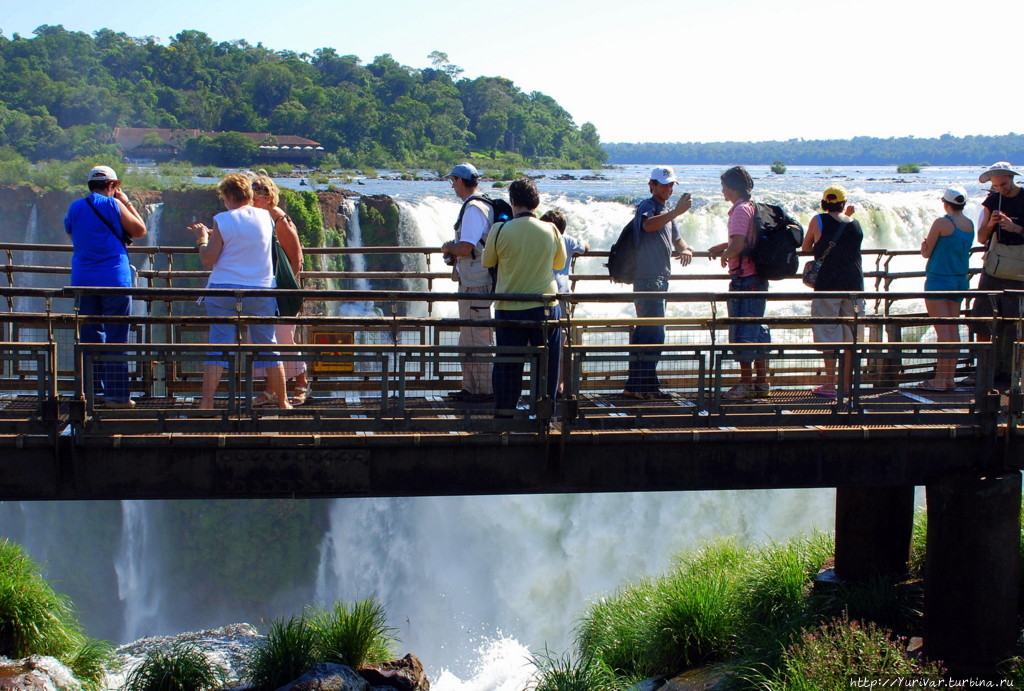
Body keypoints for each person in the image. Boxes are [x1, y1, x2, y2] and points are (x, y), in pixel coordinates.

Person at [186, 173, 291, 410]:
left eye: (224, 196)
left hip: (224, 291)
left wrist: (202, 240)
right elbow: (247, 238)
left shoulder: (222, 219)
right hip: (261, 291)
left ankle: (207, 403)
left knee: (219, 346)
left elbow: (208, 259)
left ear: (230, 196)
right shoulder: (267, 217)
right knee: (268, 346)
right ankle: (283, 402)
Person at [482, 178, 566, 416]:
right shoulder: (551, 229)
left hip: (509, 306)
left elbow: (487, 261)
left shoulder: (499, 229)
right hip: (546, 306)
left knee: (509, 364)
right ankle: (544, 414)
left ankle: (505, 414)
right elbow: (559, 263)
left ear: (512, 202)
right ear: (536, 202)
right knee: (547, 364)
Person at [64, 165, 147, 407]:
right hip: (114, 280)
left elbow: (72, 233)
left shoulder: (75, 207)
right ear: (111, 185)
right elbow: (140, 231)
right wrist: (127, 202)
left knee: (90, 337)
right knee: (116, 338)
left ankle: (93, 393)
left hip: (82, 280)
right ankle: (118, 396)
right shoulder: (113, 204)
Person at [621, 167, 694, 399]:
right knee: (653, 334)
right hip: (646, 279)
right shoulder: (647, 206)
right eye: (664, 184)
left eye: (671, 184)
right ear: (651, 185)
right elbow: (648, 225)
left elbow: (677, 237)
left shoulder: (666, 210)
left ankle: (640, 385)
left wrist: (685, 248)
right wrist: (676, 213)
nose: (668, 188)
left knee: (648, 333)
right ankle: (641, 386)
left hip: (660, 279)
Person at [707, 166, 770, 400]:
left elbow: (739, 245)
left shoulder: (739, 211)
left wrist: (726, 254)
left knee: (742, 330)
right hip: (757, 278)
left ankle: (745, 383)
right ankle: (761, 382)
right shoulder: (751, 207)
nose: (722, 190)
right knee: (757, 329)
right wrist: (724, 247)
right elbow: (745, 240)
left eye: (724, 186)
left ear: (732, 187)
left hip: (744, 279)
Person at [251, 174, 311, 405]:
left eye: (256, 194)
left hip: (282, 291)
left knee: (284, 338)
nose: (252, 198)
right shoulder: (257, 219)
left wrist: (287, 290)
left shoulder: (279, 220)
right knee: (266, 340)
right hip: (264, 288)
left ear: (267, 197)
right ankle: (271, 390)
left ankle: (301, 384)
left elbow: (296, 259)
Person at [800, 185, 864, 398]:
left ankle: (830, 384)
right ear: (844, 203)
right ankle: (847, 386)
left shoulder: (818, 220)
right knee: (851, 337)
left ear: (824, 203)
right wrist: (847, 216)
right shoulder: (855, 224)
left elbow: (807, 247)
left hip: (827, 285)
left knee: (828, 334)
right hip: (854, 286)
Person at [440, 163, 494, 403]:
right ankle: (471, 389)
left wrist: (448, 247)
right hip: (474, 278)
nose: (452, 186)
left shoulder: (473, 209)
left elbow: (466, 246)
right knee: (468, 337)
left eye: (452, 181)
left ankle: (484, 392)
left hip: (475, 282)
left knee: (478, 338)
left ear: (460, 181)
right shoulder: (483, 204)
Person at [917, 187, 975, 391]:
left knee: (943, 332)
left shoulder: (942, 222)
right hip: (959, 281)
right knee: (953, 331)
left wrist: (924, 246)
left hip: (939, 280)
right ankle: (949, 377)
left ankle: (940, 380)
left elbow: (926, 251)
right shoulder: (969, 224)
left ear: (945, 203)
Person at [971, 162, 1024, 384]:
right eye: (996, 186)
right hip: (994, 268)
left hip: (1019, 271)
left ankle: (1013, 374)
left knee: (1016, 323)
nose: (1000, 189)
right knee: (981, 317)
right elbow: (981, 238)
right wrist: (992, 224)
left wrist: (1016, 229)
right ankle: (984, 371)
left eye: (1003, 184)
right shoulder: (993, 200)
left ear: (1012, 178)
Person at [541, 209, 590, 294]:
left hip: (540, 290)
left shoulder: (538, 240)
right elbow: (586, 247)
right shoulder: (567, 240)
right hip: (561, 290)